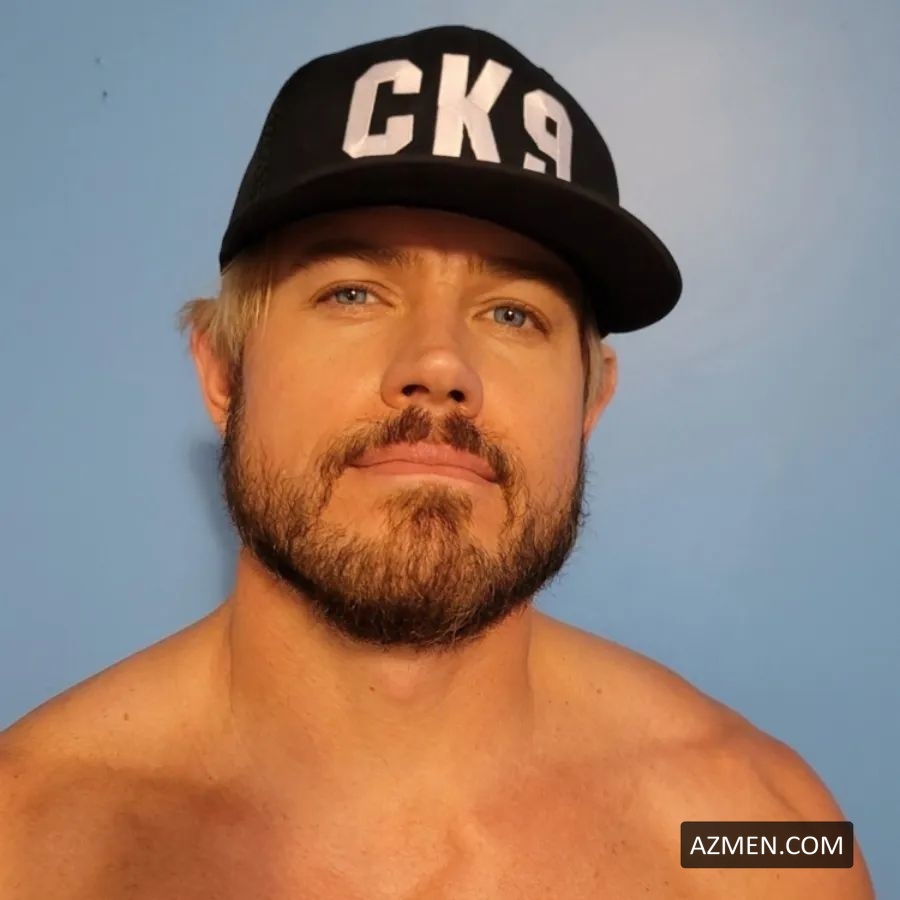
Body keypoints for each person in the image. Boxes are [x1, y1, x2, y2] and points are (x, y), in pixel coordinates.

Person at [0, 24, 874, 899]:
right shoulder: (25, 843)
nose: (440, 363)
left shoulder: (764, 839)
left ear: (591, 401)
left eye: (514, 314)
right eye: (353, 292)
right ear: (224, 372)